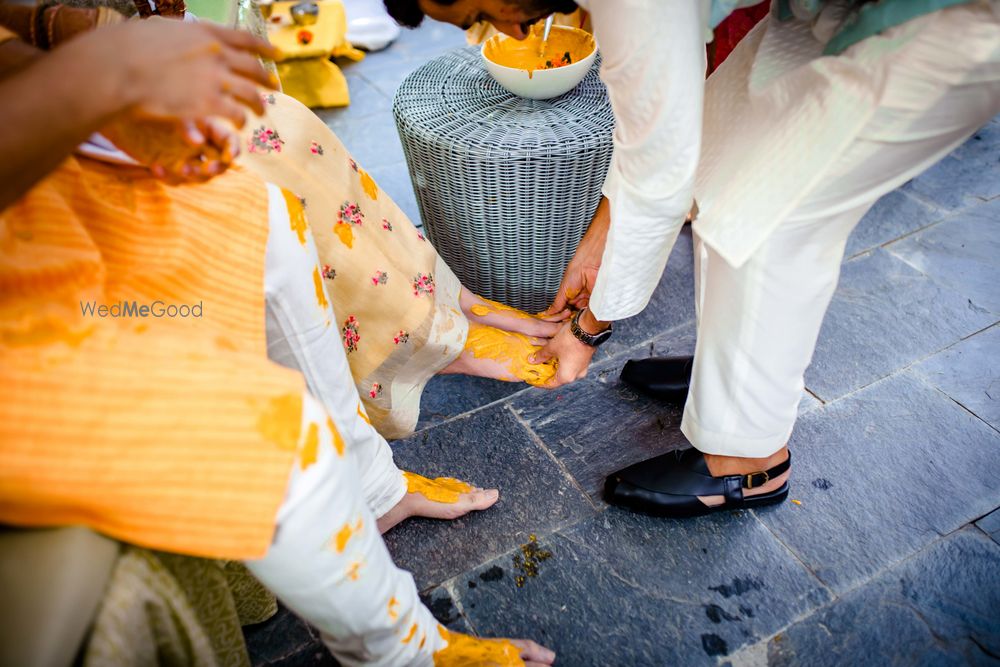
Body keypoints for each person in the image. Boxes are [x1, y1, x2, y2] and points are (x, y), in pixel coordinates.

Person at [0, 15, 556, 666]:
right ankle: (403, 652)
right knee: (286, 438)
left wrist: (114, 103)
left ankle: (375, 483)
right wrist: (104, 70)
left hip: (36, 211)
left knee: (267, 202)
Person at [384, 0, 1000, 517]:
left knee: (775, 216)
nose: (509, 33)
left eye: (483, 11)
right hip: (825, 12)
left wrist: (588, 327)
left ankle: (750, 460)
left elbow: (658, 173)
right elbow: (658, 139)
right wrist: (599, 236)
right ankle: (725, 375)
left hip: (946, 22)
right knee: (722, 153)